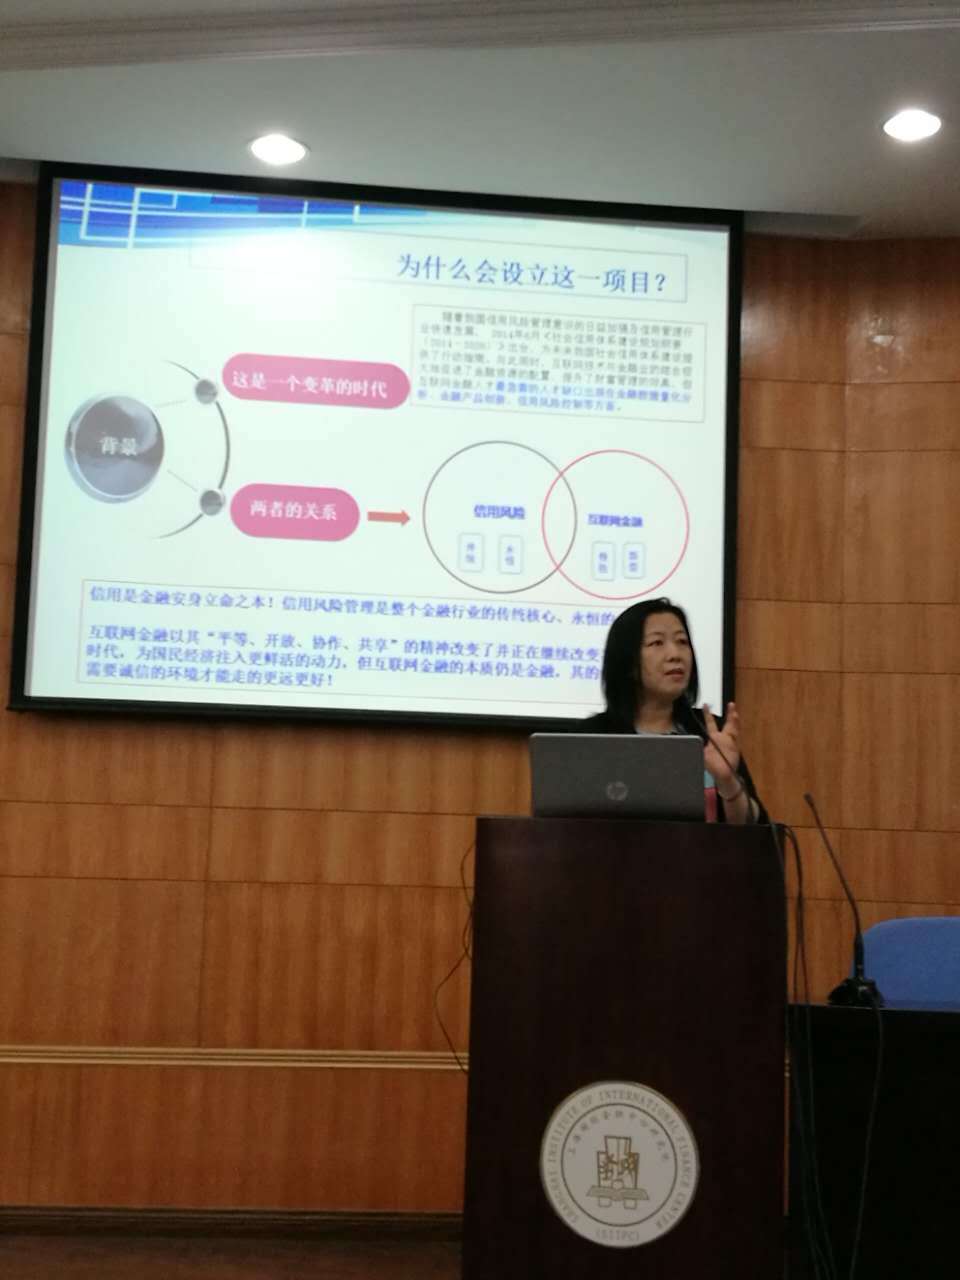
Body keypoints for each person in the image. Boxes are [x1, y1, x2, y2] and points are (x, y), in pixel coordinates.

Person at [586, 597, 767, 824]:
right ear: (628, 662)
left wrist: (727, 782)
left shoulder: (709, 733)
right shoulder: (592, 738)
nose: (675, 654)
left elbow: (755, 828)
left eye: (682, 641)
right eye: (657, 643)